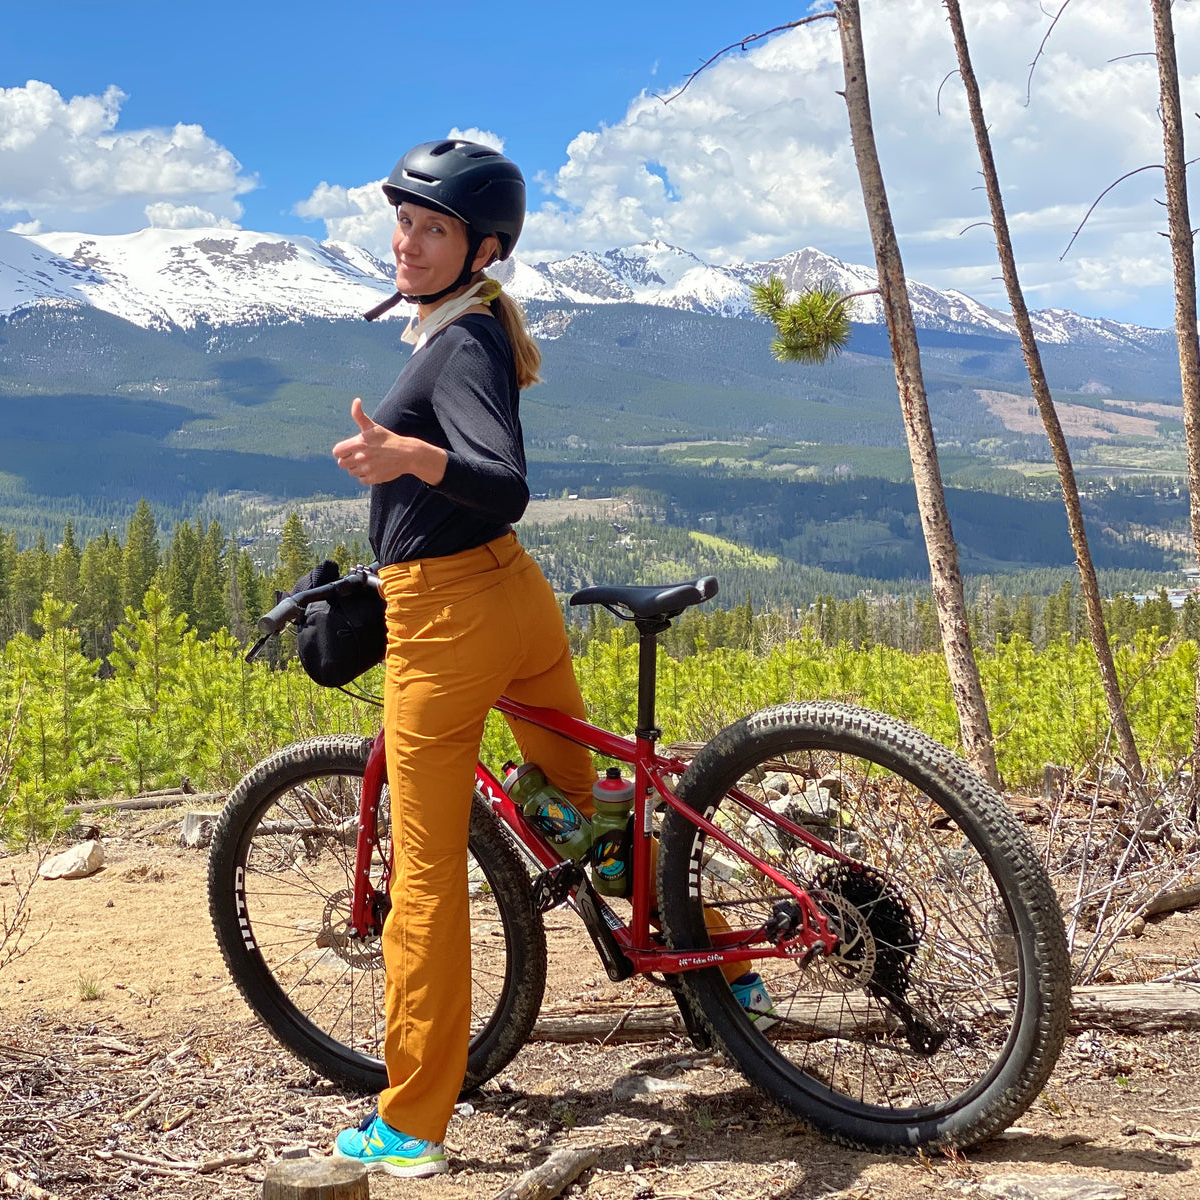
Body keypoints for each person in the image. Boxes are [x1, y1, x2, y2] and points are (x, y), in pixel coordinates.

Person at [327, 139, 762, 1179]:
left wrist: (408, 457)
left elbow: (501, 479)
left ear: (481, 248)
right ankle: (723, 964)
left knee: (425, 875)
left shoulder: (463, 344)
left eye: (431, 229)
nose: (408, 242)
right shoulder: (457, 328)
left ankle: (412, 1120)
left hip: (448, 624)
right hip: (512, 602)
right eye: (404, 223)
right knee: (575, 803)